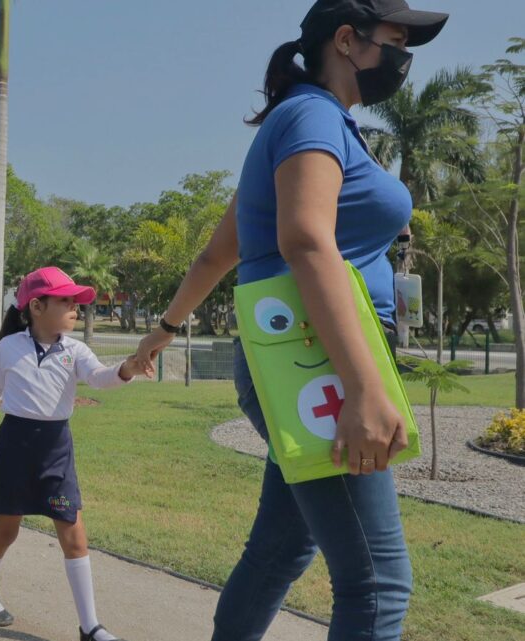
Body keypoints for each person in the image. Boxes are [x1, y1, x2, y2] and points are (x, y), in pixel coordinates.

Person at [133, 2, 447, 639]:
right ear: (346, 40)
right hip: (319, 365)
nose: (403, 57)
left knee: (283, 549)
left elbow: (221, 250)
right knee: (380, 583)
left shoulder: (306, 121)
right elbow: (305, 239)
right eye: (394, 40)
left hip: (299, 362)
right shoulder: (312, 117)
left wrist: (163, 331)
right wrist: (362, 388)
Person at [0, 267, 150, 641]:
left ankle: (90, 627)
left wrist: (127, 369)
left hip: (56, 453)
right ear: (37, 306)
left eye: (76, 301)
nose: (75, 307)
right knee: (6, 530)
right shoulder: (8, 347)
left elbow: (99, 377)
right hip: (14, 449)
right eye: (66, 300)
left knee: (73, 534)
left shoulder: (75, 350)